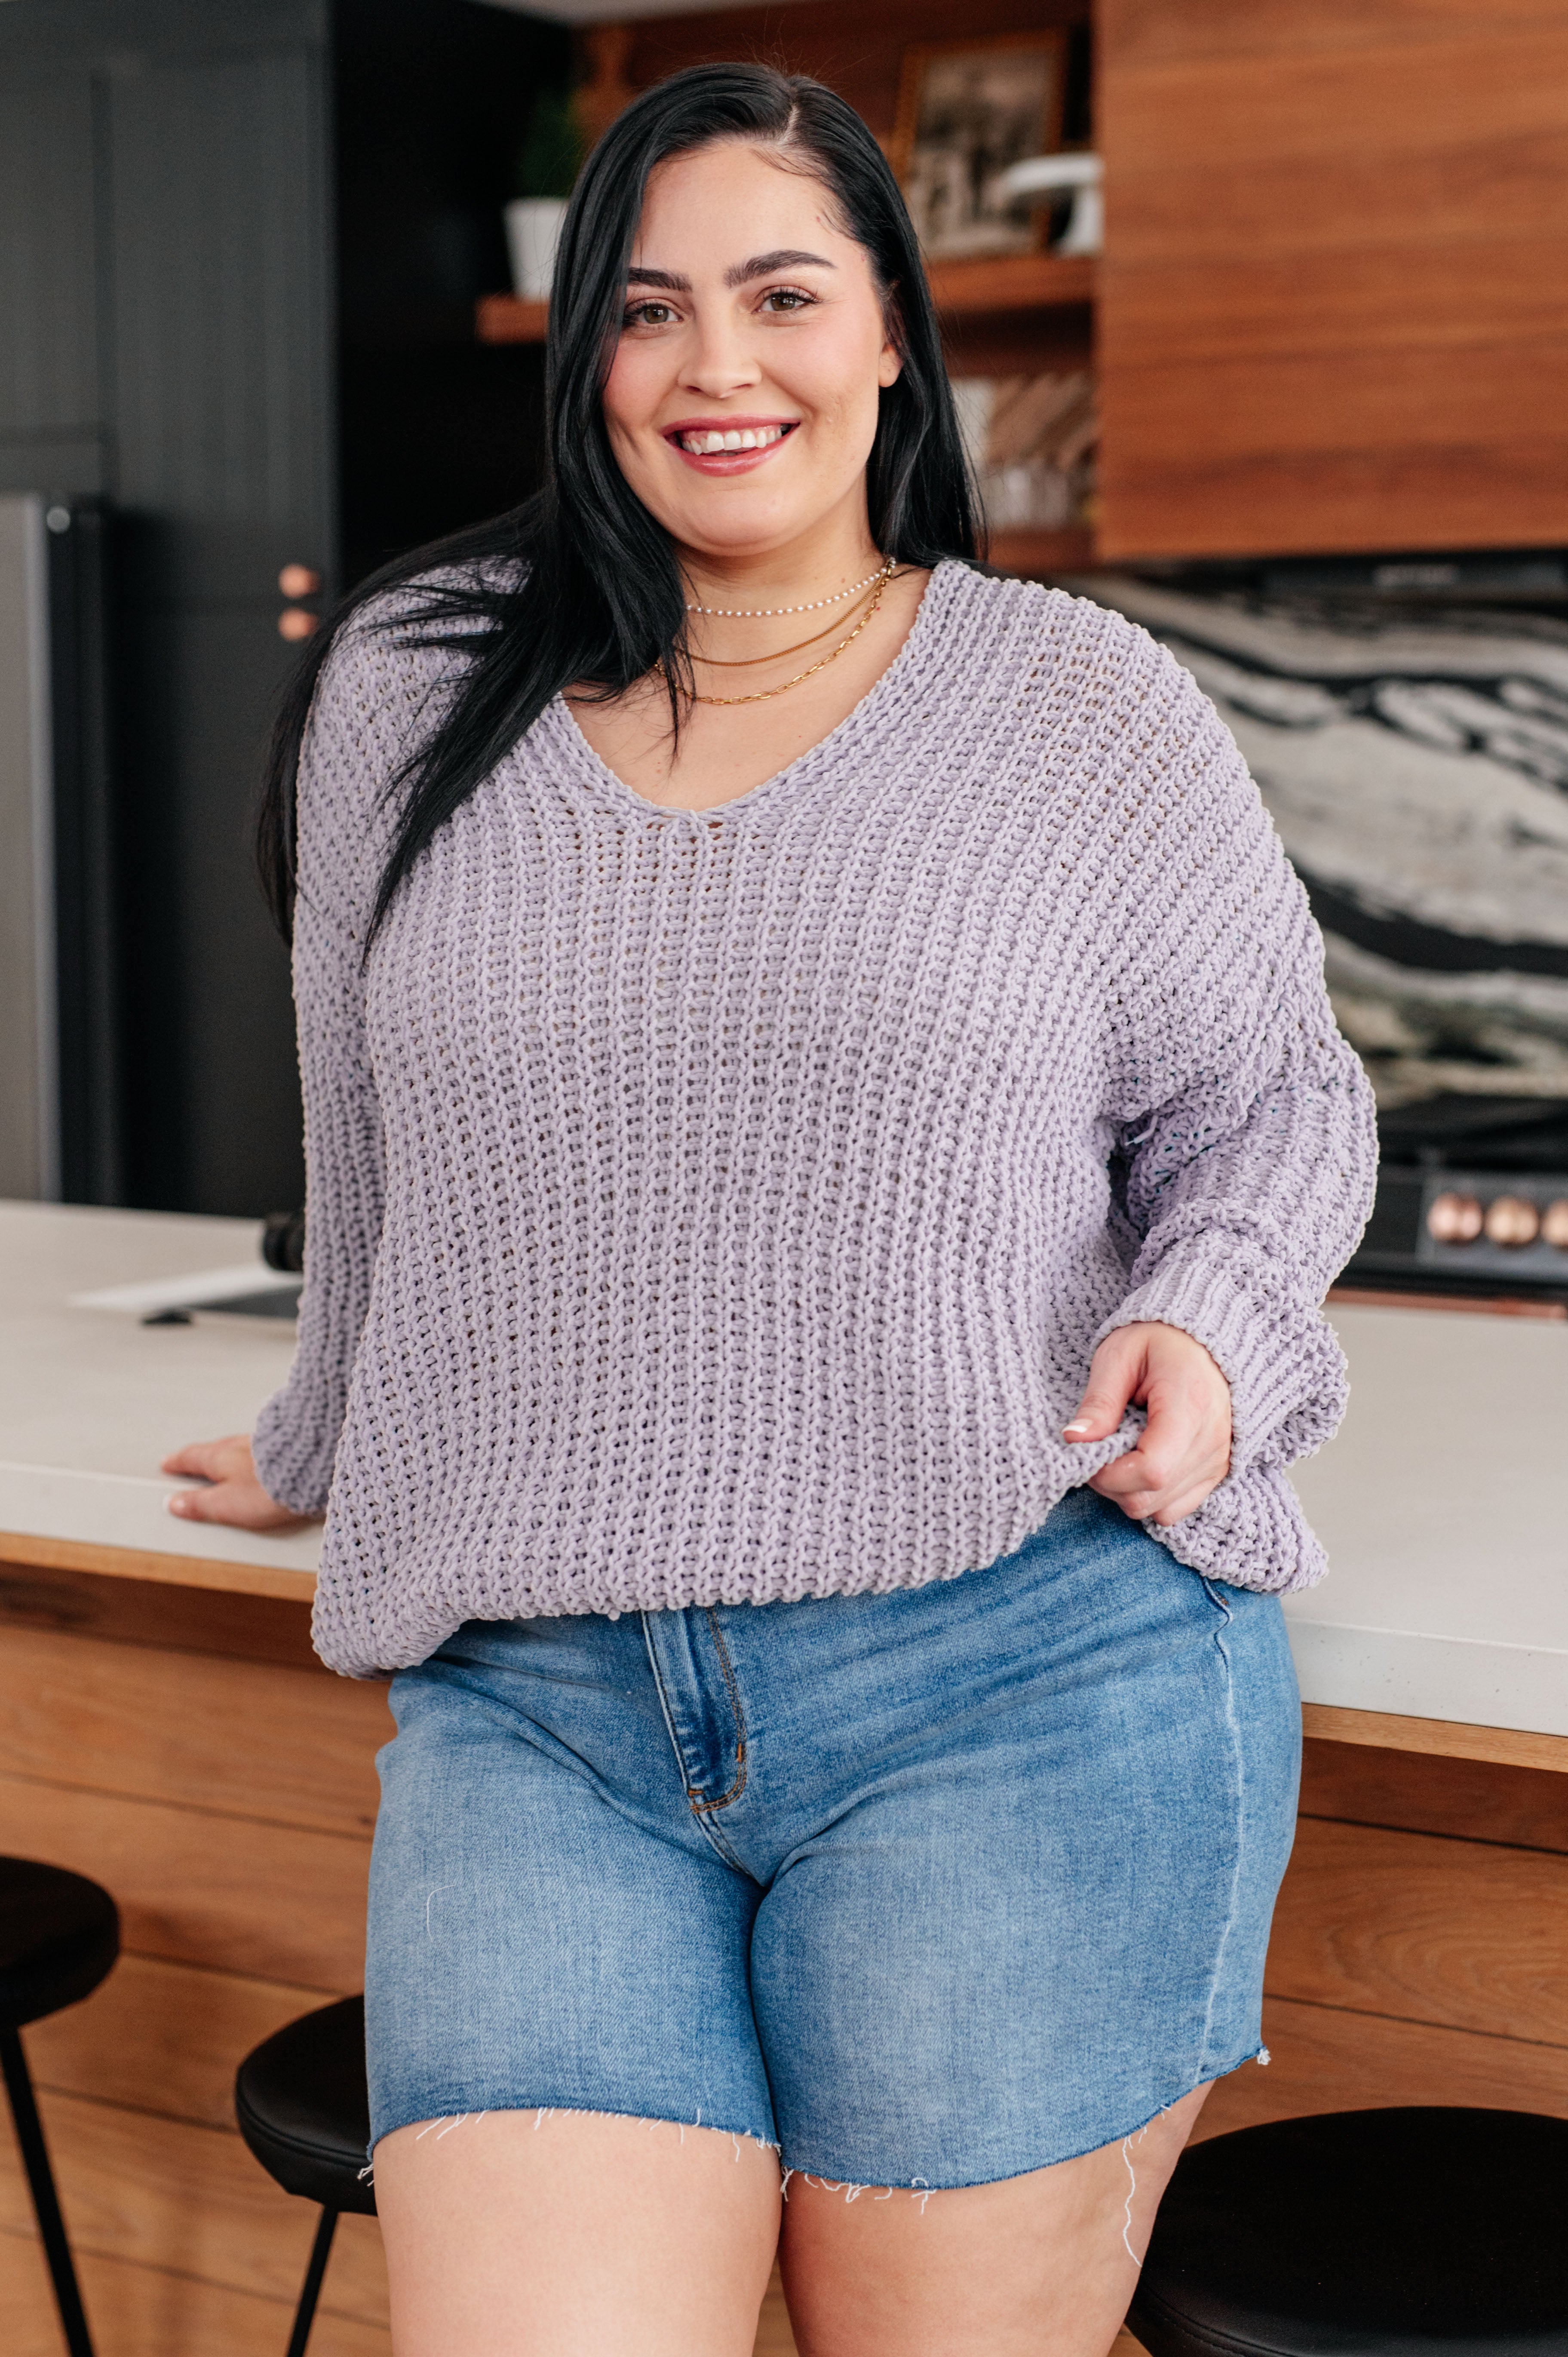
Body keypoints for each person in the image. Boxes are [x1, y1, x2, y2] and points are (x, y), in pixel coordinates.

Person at [163, 64, 1376, 2357]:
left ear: (893, 338)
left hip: (1023, 1677)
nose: (721, 365)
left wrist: (1213, 1324)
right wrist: (327, 1435)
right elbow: (374, 1147)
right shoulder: (420, 692)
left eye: (784, 293)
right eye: (649, 311)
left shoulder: (1079, 702)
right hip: (539, 1705)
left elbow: (1272, 1105)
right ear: (586, 363)